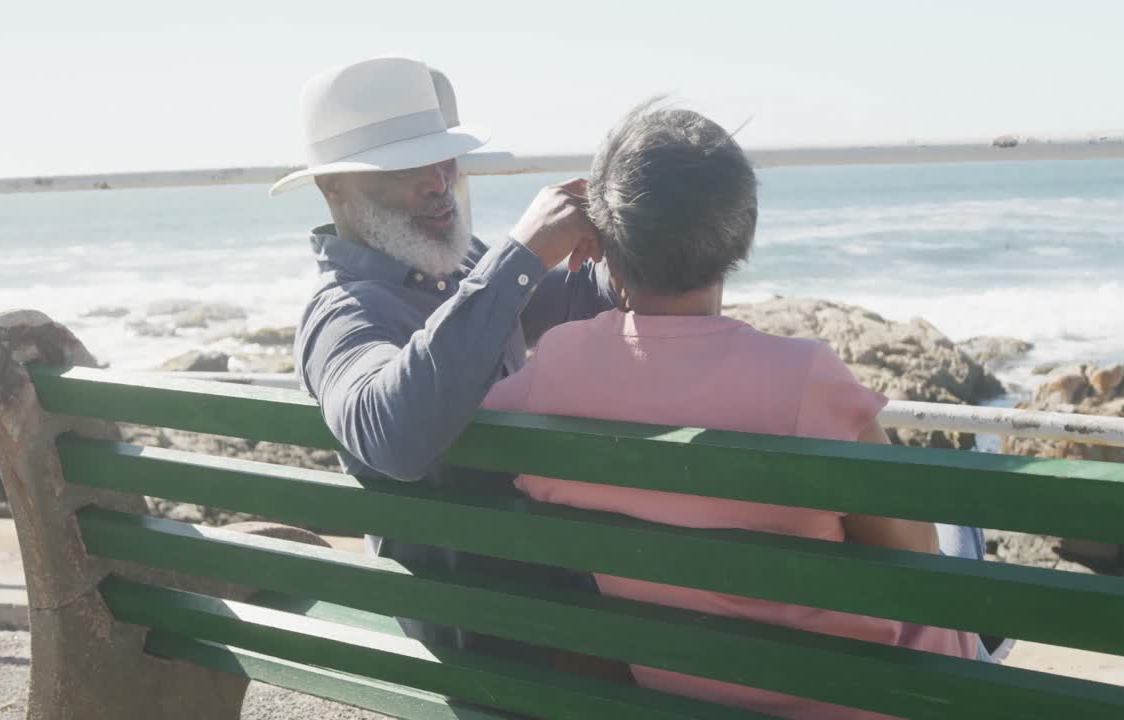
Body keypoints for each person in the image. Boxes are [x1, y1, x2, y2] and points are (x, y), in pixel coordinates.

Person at [482, 101, 991, 720]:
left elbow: (441, 418)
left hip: (685, 688)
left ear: (602, 239)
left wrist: (515, 264)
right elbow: (913, 560)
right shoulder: (805, 379)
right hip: (868, 702)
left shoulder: (554, 370)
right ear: (739, 236)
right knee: (964, 538)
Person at [280, 56, 614, 658]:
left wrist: (637, 235)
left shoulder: (456, 266)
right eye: (406, 168)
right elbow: (394, 435)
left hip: (542, 603)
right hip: (473, 636)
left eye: (444, 158)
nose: (438, 182)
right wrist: (520, 255)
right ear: (333, 188)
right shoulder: (342, 314)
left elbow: (581, 303)